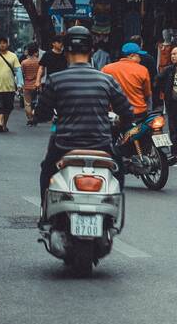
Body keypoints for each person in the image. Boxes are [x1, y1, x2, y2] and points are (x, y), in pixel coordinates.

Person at [34, 26, 132, 224]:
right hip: (101, 145)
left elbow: (41, 113)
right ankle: (111, 219)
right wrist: (119, 125)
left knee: (47, 171)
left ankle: (46, 212)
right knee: (119, 170)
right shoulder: (106, 80)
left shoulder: (56, 79)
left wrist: (41, 115)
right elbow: (127, 113)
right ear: (92, 51)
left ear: (66, 51)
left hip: (64, 146)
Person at [102, 43, 153, 118]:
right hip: (138, 113)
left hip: (116, 114)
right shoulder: (142, 70)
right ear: (131, 55)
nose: (140, 59)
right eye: (139, 56)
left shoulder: (106, 69)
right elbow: (147, 94)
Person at [20, 44, 42, 126]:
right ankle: (34, 116)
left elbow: (22, 73)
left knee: (27, 103)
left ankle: (30, 118)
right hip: (37, 85)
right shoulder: (40, 62)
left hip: (27, 85)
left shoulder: (24, 62)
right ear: (36, 52)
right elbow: (42, 74)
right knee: (37, 102)